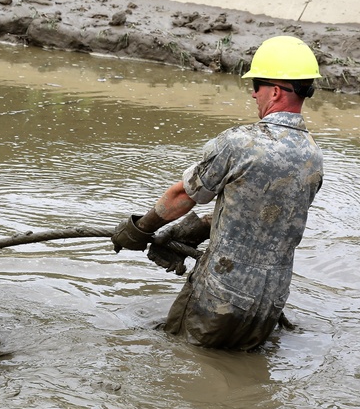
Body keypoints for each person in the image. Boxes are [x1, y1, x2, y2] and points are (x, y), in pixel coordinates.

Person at [111, 35, 324, 351]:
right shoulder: (313, 158)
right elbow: (262, 215)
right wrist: (194, 231)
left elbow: (181, 197)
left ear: (276, 91)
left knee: (180, 362)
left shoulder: (240, 143)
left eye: (256, 87)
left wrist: (139, 229)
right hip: (269, 305)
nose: (253, 95)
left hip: (218, 297)